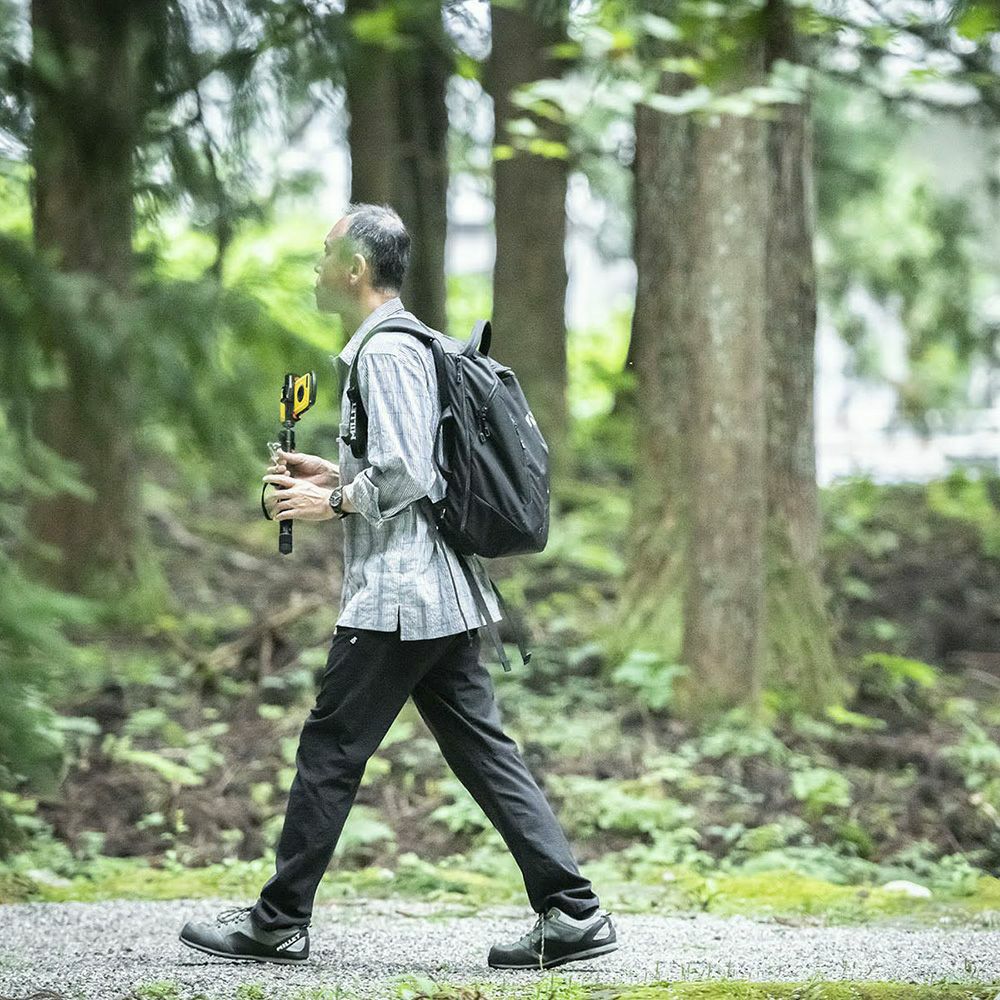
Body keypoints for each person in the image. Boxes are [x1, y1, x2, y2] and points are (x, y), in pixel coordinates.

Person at [178, 203, 618, 970]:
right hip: (434, 591)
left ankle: (279, 920)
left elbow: (411, 468)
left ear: (354, 269)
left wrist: (334, 500)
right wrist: (338, 472)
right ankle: (573, 911)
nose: (317, 267)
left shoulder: (386, 352)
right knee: (482, 750)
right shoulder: (393, 348)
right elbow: (407, 465)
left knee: (330, 746)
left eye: (324, 255)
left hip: (402, 596)